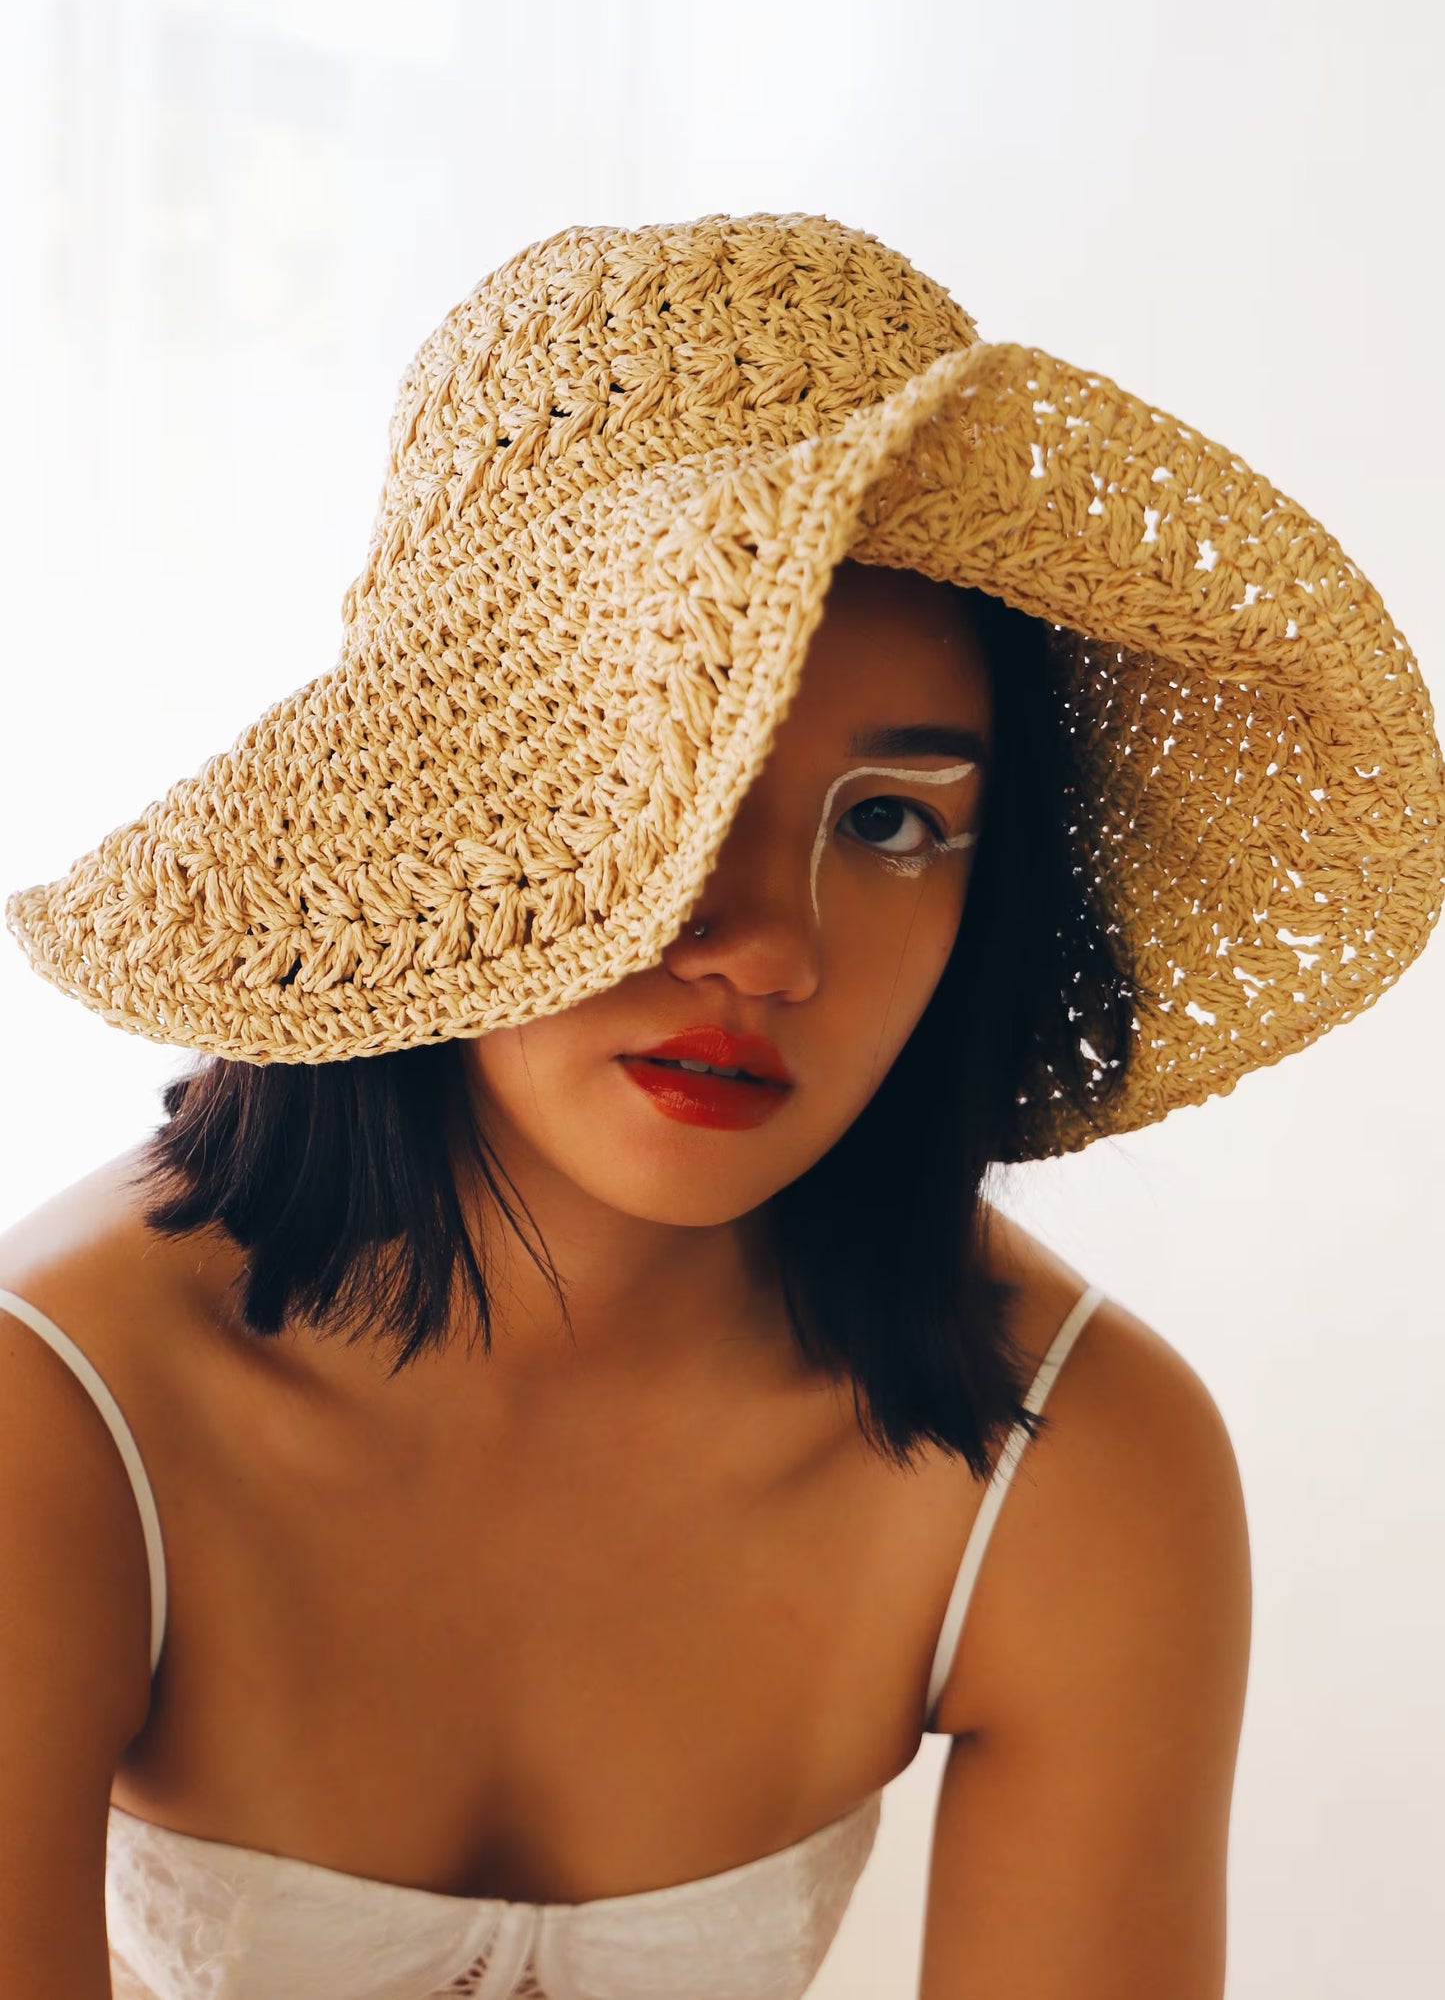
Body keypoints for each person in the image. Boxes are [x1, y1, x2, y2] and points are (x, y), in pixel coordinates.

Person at [1, 212, 1440, 2000]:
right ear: (444, 801)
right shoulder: (53, 1422)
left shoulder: (1076, 1470)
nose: (767, 945)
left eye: (891, 820)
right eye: (675, 780)